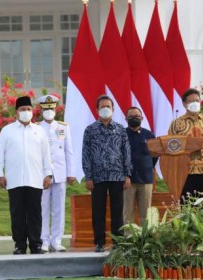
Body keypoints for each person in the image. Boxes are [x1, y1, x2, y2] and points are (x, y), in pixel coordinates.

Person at [0, 96, 53, 255]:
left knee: (35, 213)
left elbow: (46, 155)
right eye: (22, 109)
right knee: (17, 214)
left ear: (32, 111)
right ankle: (20, 245)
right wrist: (0, 174)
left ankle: (36, 244)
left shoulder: (39, 131)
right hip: (14, 180)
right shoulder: (7, 131)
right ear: (16, 112)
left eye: (28, 109)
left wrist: (48, 174)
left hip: (35, 179)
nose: (26, 112)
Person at [82, 95, 132, 253]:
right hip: (97, 178)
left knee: (117, 211)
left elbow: (126, 152)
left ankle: (118, 242)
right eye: (102, 106)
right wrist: (88, 176)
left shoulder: (120, 129)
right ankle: (99, 242)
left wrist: (127, 174)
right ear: (97, 109)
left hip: (117, 176)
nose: (105, 109)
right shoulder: (90, 130)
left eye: (108, 106)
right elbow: (86, 154)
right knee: (98, 211)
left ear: (113, 109)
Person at [36, 95, 75, 252]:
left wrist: (70, 172)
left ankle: (56, 240)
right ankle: (44, 240)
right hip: (42, 174)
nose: (49, 111)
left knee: (59, 208)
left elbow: (69, 151)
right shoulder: (37, 127)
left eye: (51, 108)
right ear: (41, 110)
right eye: (46, 108)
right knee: (43, 207)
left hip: (59, 172)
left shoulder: (63, 127)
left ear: (55, 109)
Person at [124, 107, 158, 226]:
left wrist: (147, 167)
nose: (134, 118)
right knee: (127, 213)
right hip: (127, 180)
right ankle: (128, 241)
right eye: (131, 117)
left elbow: (155, 156)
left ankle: (145, 240)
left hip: (145, 179)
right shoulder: (121, 135)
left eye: (137, 116)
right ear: (126, 119)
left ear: (142, 118)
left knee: (146, 213)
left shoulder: (149, 135)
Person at [168, 88, 203, 204]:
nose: (195, 103)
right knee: (187, 208)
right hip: (185, 173)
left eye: (197, 100)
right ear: (184, 104)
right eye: (191, 101)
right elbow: (170, 147)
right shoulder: (176, 124)